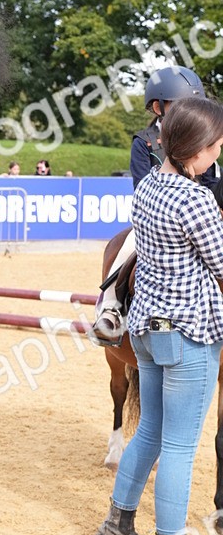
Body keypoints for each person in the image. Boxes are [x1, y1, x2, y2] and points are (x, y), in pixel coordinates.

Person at [90, 96, 223, 535]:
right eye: (216, 145)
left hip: (144, 328)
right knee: (181, 445)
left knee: (147, 432)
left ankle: (117, 527)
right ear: (198, 148)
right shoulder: (197, 199)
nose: (219, 153)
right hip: (188, 332)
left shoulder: (148, 187)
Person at [93, 65, 216, 343]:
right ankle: (111, 308)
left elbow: (210, 183)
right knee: (126, 245)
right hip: (157, 218)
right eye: (180, 105)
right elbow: (141, 187)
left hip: (199, 215)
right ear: (159, 107)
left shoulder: (203, 139)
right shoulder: (144, 141)